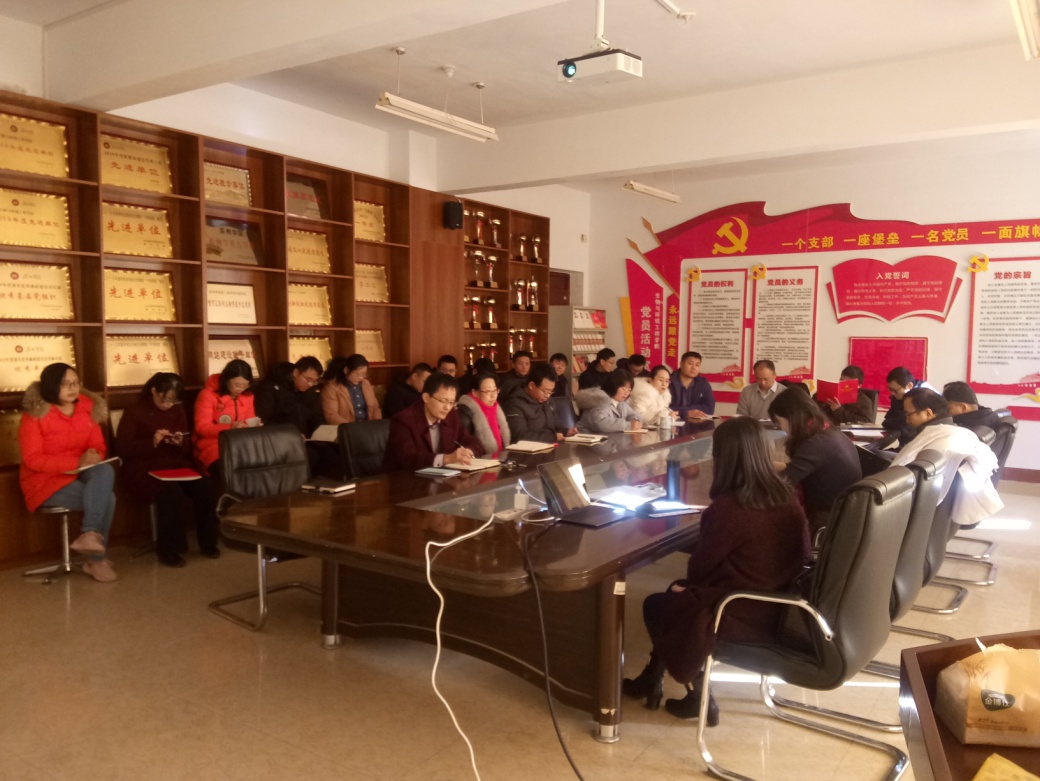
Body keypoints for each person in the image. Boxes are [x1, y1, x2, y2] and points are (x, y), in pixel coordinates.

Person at [623, 417, 810, 721]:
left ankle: (698, 697)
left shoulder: (730, 507)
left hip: (742, 609)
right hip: (780, 603)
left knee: (658, 605)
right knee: (676, 594)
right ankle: (651, 680)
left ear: (724, 458)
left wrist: (695, 586)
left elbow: (699, 570)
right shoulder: (786, 496)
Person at [18, 363, 118, 583]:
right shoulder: (34, 415)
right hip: (44, 481)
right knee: (108, 499)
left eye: (75, 383)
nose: (73, 388)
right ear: (51, 386)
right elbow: (32, 459)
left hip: (80, 472)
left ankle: (89, 535)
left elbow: (98, 446)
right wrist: (76, 461)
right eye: (65, 384)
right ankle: (96, 559)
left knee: (104, 469)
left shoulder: (86, 408)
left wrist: (94, 454)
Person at [116, 372, 219, 567]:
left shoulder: (177, 410)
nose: (168, 405)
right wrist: (152, 441)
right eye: (165, 400)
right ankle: (169, 549)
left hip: (174, 465)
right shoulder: (134, 411)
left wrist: (180, 442)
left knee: (205, 486)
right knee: (171, 492)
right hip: (143, 469)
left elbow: (186, 445)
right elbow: (123, 448)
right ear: (154, 391)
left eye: (173, 401)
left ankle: (208, 543)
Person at [892, 389, 1002, 527]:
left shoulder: (937, 444)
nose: (906, 420)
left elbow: (900, 470)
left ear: (928, 413)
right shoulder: (957, 433)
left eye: (909, 414)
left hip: (911, 512)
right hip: (938, 516)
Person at [768, 386, 862, 536]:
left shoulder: (815, 444)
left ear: (792, 417)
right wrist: (767, 465)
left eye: (779, 422)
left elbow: (783, 482)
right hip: (844, 512)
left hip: (827, 520)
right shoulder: (828, 431)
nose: (781, 428)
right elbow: (799, 468)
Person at [382, 372, 483, 471]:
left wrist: (468, 452)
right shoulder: (403, 420)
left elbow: (472, 442)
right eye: (443, 401)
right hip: (404, 479)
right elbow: (409, 459)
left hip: (442, 477)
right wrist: (446, 459)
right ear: (426, 397)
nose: (447, 407)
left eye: (451, 402)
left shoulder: (451, 416)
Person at [194, 359, 256, 487]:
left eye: (245, 385)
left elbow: (250, 419)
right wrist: (230, 427)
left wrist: (254, 425)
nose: (240, 389)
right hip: (213, 445)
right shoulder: (208, 395)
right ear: (226, 379)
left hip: (240, 444)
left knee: (259, 468)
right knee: (231, 471)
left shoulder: (248, 395)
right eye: (237, 384)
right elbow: (202, 428)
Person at [502, 363, 577, 443]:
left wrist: (566, 432)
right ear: (531, 385)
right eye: (545, 391)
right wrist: (552, 437)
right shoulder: (514, 404)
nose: (547, 395)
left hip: (552, 447)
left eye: (551, 391)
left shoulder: (549, 401)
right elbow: (519, 436)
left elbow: (557, 426)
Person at [254, 356, 324, 435]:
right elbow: (263, 420)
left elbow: (316, 417)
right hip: (278, 437)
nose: (310, 384)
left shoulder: (310, 391)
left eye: (315, 381)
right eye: (308, 379)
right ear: (296, 373)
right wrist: (290, 436)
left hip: (305, 438)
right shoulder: (271, 387)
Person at [457, 373, 511, 455]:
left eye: (495, 391)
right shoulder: (466, 411)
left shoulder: (496, 408)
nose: (493, 396)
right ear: (475, 392)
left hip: (499, 458)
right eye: (488, 392)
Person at [575, 369, 642, 433]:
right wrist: (628, 425)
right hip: (588, 437)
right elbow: (601, 423)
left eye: (629, 390)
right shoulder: (599, 400)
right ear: (613, 385)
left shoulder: (621, 402)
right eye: (623, 389)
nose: (626, 393)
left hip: (607, 437)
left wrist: (635, 421)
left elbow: (632, 414)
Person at [321, 354, 382, 424]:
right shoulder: (332, 388)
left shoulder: (366, 384)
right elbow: (331, 415)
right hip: (346, 427)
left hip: (367, 426)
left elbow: (375, 408)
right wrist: (351, 428)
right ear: (346, 370)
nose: (361, 378)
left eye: (364, 374)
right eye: (358, 374)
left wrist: (376, 424)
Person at [881, 367, 932, 447]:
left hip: (921, 446)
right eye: (890, 389)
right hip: (905, 445)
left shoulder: (924, 396)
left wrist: (896, 422)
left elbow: (906, 424)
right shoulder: (898, 396)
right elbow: (888, 420)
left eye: (895, 390)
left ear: (909, 386)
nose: (892, 393)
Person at [669, 351, 715, 421]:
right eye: (690, 363)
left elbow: (710, 408)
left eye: (697, 365)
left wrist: (687, 411)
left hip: (696, 424)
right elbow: (664, 408)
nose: (694, 368)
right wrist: (686, 412)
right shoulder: (668, 381)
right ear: (681, 364)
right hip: (672, 422)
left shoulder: (703, 383)